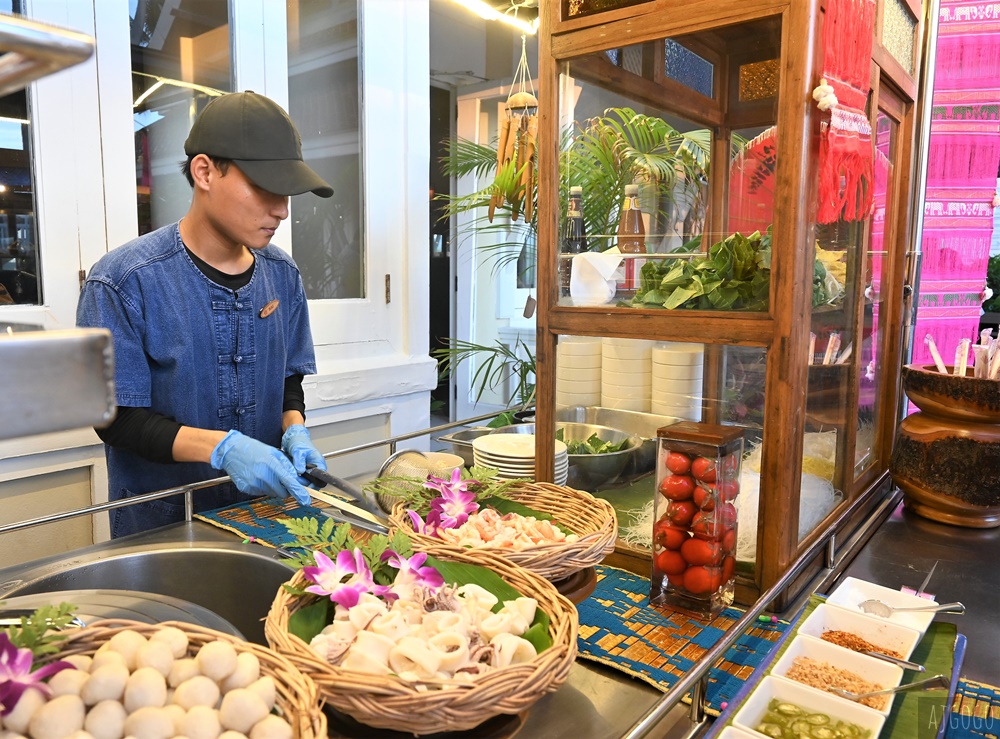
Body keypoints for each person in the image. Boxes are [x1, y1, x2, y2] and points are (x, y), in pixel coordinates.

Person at [77, 91, 334, 538]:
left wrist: (295, 428)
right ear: (205, 171)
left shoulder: (281, 274)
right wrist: (223, 449)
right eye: (265, 188)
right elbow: (117, 420)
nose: (282, 210)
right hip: (163, 526)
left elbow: (287, 380)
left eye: (288, 194)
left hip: (265, 515)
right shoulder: (122, 281)